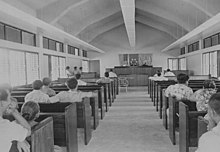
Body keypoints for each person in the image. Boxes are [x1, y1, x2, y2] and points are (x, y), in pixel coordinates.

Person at [0, 88, 31, 152]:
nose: (11, 100)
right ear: (2, 103)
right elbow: (28, 130)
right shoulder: (7, 126)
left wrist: (19, 139)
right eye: (9, 98)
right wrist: (14, 111)